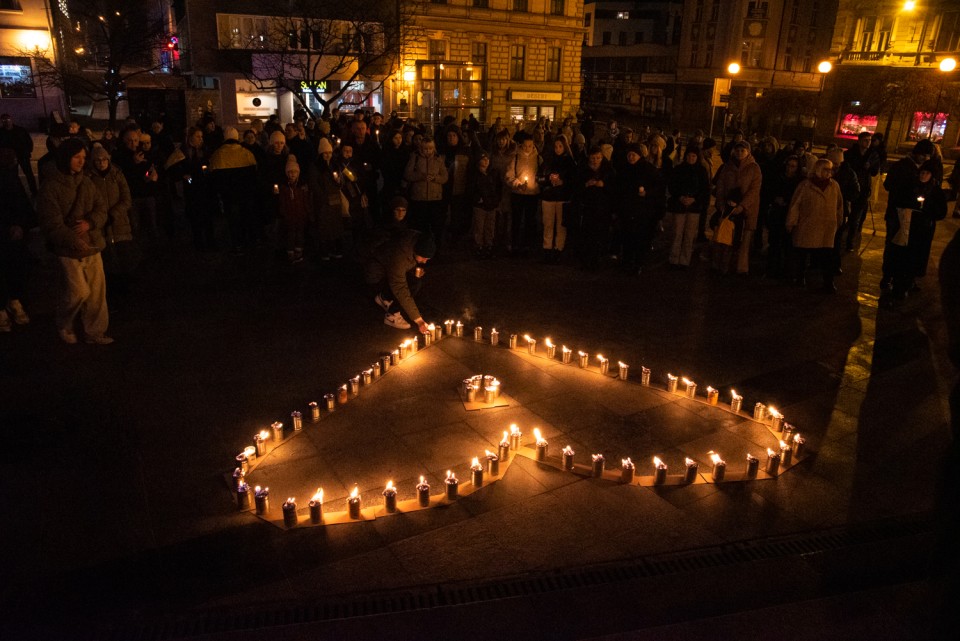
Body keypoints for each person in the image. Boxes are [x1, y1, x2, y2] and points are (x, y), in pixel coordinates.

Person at [37, 138, 112, 344]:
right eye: (76, 157)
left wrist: (90, 223)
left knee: (97, 293)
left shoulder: (87, 183)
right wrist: (72, 239)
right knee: (77, 292)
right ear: (65, 157)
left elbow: (101, 208)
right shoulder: (50, 187)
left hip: (92, 244)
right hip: (67, 249)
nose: (81, 161)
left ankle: (94, 332)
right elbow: (50, 222)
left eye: (83, 157)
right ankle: (64, 322)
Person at [882, 139, 932, 299]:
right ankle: (888, 276)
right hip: (897, 214)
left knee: (910, 249)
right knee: (893, 245)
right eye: (923, 154)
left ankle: (906, 278)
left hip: (915, 218)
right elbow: (888, 185)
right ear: (916, 153)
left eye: (927, 155)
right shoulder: (901, 166)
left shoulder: (925, 169)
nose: (925, 158)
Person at [87, 145, 137, 304]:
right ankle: (113, 290)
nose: (101, 163)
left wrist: (114, 214)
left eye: (104, 160)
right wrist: (100, 217)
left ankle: (127, 289)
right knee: (108, 259)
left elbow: (126, 198)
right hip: (101, 227)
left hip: (119, 223)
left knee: (125, 257)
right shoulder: (89, 178)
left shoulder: (117, 174)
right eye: (98, 160)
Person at [786, 158, 844, 292]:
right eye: (825, 169)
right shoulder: (805, 185)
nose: (829, 173)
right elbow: (795, 205)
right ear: (817, 170)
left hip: (826, 227)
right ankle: (800, 278)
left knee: (827, 256)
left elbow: (839, 205)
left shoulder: (834, 186)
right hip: (807, 225)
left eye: (830, 170)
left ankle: (828, 283)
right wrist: (791, 222)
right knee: (802, 254)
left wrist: (839, 220)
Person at [366, 229, 436, 331]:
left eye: (427, 259)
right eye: (423, 257)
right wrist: (419, 321)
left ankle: (384, 297)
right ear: (417, 250)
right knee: (409, 286)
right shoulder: (399, 255)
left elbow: (406, 268)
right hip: (376, 277)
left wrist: (414, 275)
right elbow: (400, 288)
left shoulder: (415, 242)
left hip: (389, 272)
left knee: (415, 281)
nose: (424, 262)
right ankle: (391, 316)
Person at [713, 140, 762, 275]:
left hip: (747, 210)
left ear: (748, 152)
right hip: (727, 209)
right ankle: (722, 265)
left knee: (743, 241)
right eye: (738, 150)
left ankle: (740, 268)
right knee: (724, 238)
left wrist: (742, 206)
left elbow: (754, 190)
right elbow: (721, 186)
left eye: (743, 150)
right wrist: (721, 204)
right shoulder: (727, 166)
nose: (740, 153)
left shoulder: (754, 168)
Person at [207, 126, 258, 255]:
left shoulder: (218, 154)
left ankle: (237, 244)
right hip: (245, 194)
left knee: (233, 220)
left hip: (229, 196)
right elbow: (254, 174)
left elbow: (213, 177)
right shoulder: (246, 153)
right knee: (246, 217)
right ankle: (250, 241)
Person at [0, 148, 34, 331]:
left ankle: (14, 299)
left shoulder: (10, 178)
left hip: (13, 233)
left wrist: (20, 224)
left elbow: (21, 204)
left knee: (16, 267)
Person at [667, 146, 711, 268]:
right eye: (688, 156)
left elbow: (705, 189)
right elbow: (672, 186)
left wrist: (695, 199)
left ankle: (685, 260)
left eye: (693, 156)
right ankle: (674, 258)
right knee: (677, 232)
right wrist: (680, 197)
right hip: (679, 205)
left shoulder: (701, 171)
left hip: (694, 207)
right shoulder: (678, 169)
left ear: (697, 157)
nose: (690, 158)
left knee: (689, 234)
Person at [404, 138, 448, 254]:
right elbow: (408, 174)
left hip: (435, 198)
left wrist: (435, 178)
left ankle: (436, 249)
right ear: (421, 148)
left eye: (430, 148)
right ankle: (418, 249)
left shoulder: (438, 159)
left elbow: (445, 177)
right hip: (419, 198)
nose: (428, 151)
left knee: (436, 225)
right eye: (425, 149)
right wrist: (421, 176)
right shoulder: (415, 157)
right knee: (419, 225)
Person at [908, 159, 949, 287]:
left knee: (920, 251)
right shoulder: (913, 186)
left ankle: (914, 276)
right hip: (911, 223)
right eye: (922, 172)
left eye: (926, 173)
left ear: (931, 176)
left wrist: (927, 209)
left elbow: (941, 212)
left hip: (925, 226)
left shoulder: (936, 191)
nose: (923, 175)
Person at [537, 134, 576, 263]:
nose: (558, 149)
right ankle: (547, 249)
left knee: (560, 226)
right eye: (556, 146)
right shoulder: (548, 160)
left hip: (562, 197)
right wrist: (549, 180)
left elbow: (573, 181)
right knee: (548, 224)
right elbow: (539, 178)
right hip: (548, 197)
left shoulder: (570, 163)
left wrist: (563, 182)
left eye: (560, 146)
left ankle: (559, 249)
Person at [575, 146, 615, 270]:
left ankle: (597, 260)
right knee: (588, 234)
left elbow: (615, 190)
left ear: (602, 158)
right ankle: (587, 260)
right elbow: (576, 188)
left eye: (598, 158)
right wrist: (586, 185)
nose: (595, 160)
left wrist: (604, 185)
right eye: (593, 158)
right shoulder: (583, 170)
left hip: (603, 208)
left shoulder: (608, 171)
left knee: (600, 234)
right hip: (588, 208)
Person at [765, 156, 803, 279]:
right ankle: (772, 269)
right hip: (777, 214)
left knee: (788, 245)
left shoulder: (799, 182)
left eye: (793, 166)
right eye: (788, 165)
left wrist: (787, 201)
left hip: (789, 214)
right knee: (774, 243)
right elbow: (768, 191)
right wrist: (775, 198)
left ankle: (786, 271)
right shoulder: (778, 177)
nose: (789, 168)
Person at [504, 133, 541, 255]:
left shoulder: (538, 158)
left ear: (533, 145)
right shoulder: (516, 157)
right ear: (521, 145)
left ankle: (527, 245)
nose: (527, 148)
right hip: (518, 194)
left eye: (530, 146)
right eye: (525, 146)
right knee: (516, 219)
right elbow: (509, 175)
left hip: (532, 194)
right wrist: (518, 184)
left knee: (530, 221)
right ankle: (515, 244)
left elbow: (541, 174)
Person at [843, 131, 880, 250]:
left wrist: (871, 167)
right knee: (845, 213)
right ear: (859, 141)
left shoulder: (873, 155)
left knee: (856, 216)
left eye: (870, 140)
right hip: (851, 187)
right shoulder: (850, 154)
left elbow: (875, 172)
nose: (868, 143)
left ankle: (850, 241)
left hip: (864, 188)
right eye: (866, 140)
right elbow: (847, 168)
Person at [277, 156, 311, 264]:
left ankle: (299, 249)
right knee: (291, 233)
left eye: (294, 172)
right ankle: (290, 251)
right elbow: (282, 201)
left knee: (300, 232)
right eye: (290, 172)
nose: (292, 174)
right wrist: (283, 212)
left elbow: (306, 200)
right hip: (289, 215)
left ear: (298, 173)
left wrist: (307, 211)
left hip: (300, 214)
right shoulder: (284, 187)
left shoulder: (302, 187)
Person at [470, 152, 501, 258]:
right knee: (479, 227)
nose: (486, 161)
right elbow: (471, 189)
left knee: (490, 226)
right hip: (481, 205)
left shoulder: (493, 173)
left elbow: (497, 188)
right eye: (483, 159)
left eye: (487, 159)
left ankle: (489, 246)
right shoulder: (475, 174)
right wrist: (478, 199)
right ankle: (479, 246)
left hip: (491, 205)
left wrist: (496, 201)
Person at [0, 113, 38, 196]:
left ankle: (34, 191)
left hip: (22, 155)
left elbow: (28, 141)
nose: (6, 122)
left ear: (11, 120)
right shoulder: (2, 132)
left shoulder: (20, 130)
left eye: (8, 120)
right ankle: (18, 192)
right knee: (14, 176)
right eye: (4, 121)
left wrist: (28, 151)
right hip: (10, 157)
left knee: (28, 174)